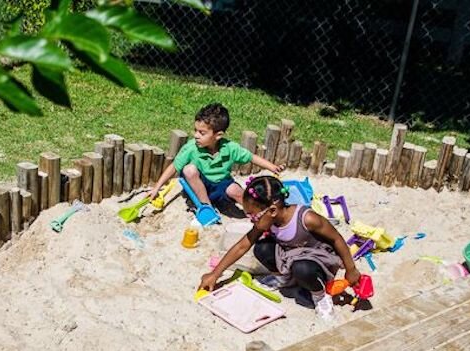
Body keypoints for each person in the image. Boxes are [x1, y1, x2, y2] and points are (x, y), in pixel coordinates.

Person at [198, 175, 361, 319]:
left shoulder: (308, 218)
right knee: (261, 248)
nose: (251, 220)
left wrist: (351, 269)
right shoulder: (268, 219)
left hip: (316, 260)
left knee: (302, 268)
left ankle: (319, 296)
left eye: (253, 215)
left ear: (273, 210)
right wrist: (215, 273)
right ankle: (283, 279)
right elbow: (243, 245)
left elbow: (337, 239)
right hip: (290, 254)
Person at [149, 103, 283, 208]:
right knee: (189, 170)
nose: (196, 135)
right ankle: (206, 206)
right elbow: (174, 166)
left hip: (221, 184)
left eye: (202, 133)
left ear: (218, 135)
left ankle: (259, 210)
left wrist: (272, 167)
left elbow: (251, 157)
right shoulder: (191, 147)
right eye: (195, 130)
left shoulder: (229, 148)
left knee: (237, 191)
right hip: (199, 184)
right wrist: (157, 188)